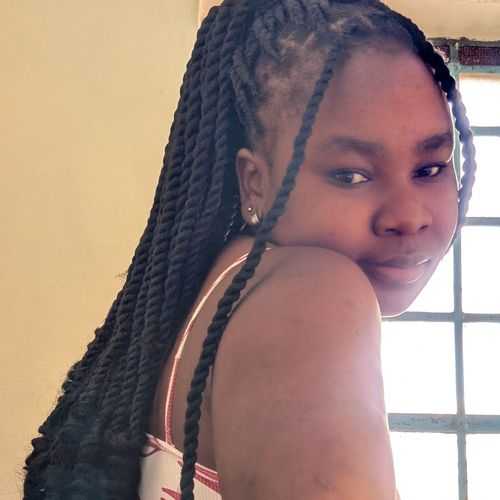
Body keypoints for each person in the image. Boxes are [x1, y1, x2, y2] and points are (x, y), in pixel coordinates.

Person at [23, 1, 477, 499]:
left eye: (430, 168)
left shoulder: (220, 295)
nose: (408, 216)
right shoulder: (310, 296)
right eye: (350, 175)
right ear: (254, 182)